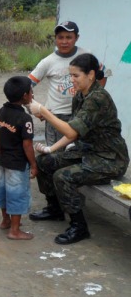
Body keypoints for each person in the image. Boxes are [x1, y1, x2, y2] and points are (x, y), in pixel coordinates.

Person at [29, 53, 129, 244]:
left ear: (91, 75)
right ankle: (55, 209)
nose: (71, 80)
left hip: (109, 159)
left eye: (76, 76)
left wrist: (44, 111)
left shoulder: (97, 99)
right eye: (71, 76)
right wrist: (51, 149)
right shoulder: (81, 96)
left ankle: (79, 227)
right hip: (88, 152)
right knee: (44, 161)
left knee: (63, 176)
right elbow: (74, 131)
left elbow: (71, 132)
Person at [28, 21, 106, 221]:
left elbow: (102, 77)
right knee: (53, 160)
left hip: (80, 117)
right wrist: (38, 110)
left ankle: (73, 206)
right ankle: (55, 206)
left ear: (76, 38)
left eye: (68, 37)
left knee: (67, 165)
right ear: (55, 39)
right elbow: (27, 85)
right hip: (57, 116)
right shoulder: (48, 61)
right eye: (60, 37)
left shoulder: (86, 59)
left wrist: (92, 95)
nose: (64, 41)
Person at [0, 76, 37, 240]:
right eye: (31, 91)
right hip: (18, 164)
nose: (32, 94)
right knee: (17, 194)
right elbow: (27, 145)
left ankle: (5, 221)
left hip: (3, 160)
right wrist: (33, 164)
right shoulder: (25, 119)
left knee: (4, 191)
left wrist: (2, 153)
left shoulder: (1, 112)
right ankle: (15, 230)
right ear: (25, 95)